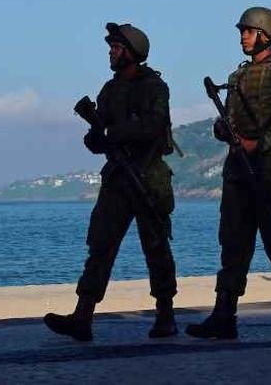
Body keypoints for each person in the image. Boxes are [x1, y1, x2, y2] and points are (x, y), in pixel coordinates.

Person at [186, 7, 271, 339]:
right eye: (242, 31)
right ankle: (224, 315)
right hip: (237, 172)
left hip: (267, 170)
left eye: (248, 31)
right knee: (233, 242)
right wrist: (223, 130)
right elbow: (231, 119)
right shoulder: (238, 76)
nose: (243, 37)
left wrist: (254, 145)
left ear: (265, 35)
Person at [44, 23, 178, 341]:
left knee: (156, 247)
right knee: (100, 246)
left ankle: (166, 315)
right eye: (112, 47)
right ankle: (83, 316)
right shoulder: (110, 89)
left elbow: (154, 128)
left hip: (148, 176)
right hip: (118, 177)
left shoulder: (155, 87)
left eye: (117, 47)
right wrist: (96, 136)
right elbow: (98, 136)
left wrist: (113, 134)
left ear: (132, 53)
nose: (111, 52)